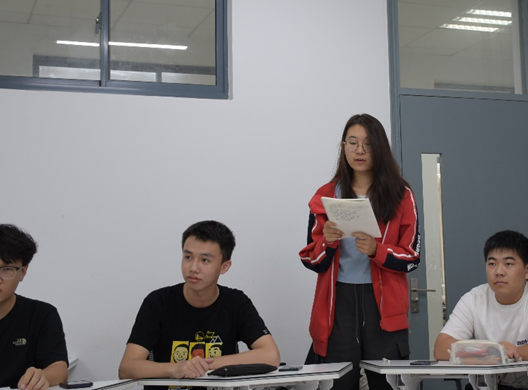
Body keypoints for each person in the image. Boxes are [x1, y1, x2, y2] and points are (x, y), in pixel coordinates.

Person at [299, 113, 420, 390]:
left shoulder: (401, 194)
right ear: (343, 147)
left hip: (384, 306)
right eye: (352, 143)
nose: (360, 151)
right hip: (337, 304)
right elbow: (311, 259)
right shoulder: (326, 194)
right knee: (339, 384)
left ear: (380, 147)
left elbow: (412, 256)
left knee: (385, 384)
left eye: (367, 143)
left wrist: (378, 250)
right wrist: (327, 242)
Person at [118, 220, 280, 379]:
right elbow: (127, 368)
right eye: (188, 257)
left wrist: (203, 365)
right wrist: (175, 368)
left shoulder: (236, 302)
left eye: (205, 260)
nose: (193, 268)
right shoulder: (158, 301)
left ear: (224, 266)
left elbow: (271, 355)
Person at [434, 230, 528, 375]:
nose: (499, 271)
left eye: (508, 264)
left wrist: (514, 352)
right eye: (492, 263)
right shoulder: (473, 298)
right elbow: (441, 348)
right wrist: (491, 352)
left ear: (527, 270)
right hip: (490, 382)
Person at [0, 224, 68, 390]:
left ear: (23, 272)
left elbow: (59, 369)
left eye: (7, 269)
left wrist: (42, 376)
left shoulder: (42, 315)